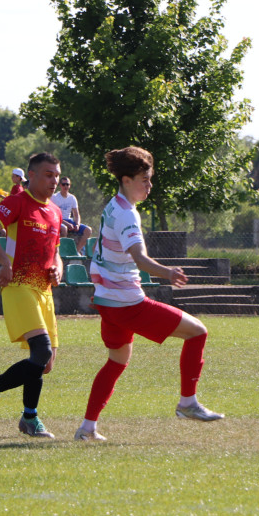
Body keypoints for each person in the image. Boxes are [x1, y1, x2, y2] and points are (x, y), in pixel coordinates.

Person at [75, 146, 223, 442]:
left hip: (106, 302)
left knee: (117, 361)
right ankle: (187, 403)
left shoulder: (112, 205)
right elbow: (140, 259)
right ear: (127, 179)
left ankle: (87, 427)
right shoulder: (127, 215)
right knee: (198, 333)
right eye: (144, 179)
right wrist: (168, 272)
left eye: (149, 179)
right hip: (127, 303)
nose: (149, 186)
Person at [0, 153, 64, 439]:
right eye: (48, 175)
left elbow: (56, 253)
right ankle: (30, 419)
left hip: (43, 291)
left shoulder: (56, 212)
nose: (54, 180)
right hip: (19, 285)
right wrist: (5, 263)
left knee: (45, 364)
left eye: (57, 175)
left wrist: (58, 271)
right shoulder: (17, 202)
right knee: (42, 351)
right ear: (31, 176)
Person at [51, 176, 92, 253]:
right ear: (60, 185)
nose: (65, 186)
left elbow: (76, 214)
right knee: (64, 228)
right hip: (59, 221)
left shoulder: (72, 198)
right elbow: (55, 215)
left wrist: (77, 224)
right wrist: (67, 224)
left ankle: (77, 251)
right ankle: (62, 251)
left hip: (69, 220)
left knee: (88, 230)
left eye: (67, 184)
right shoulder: (55, 197)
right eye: (63, 184)